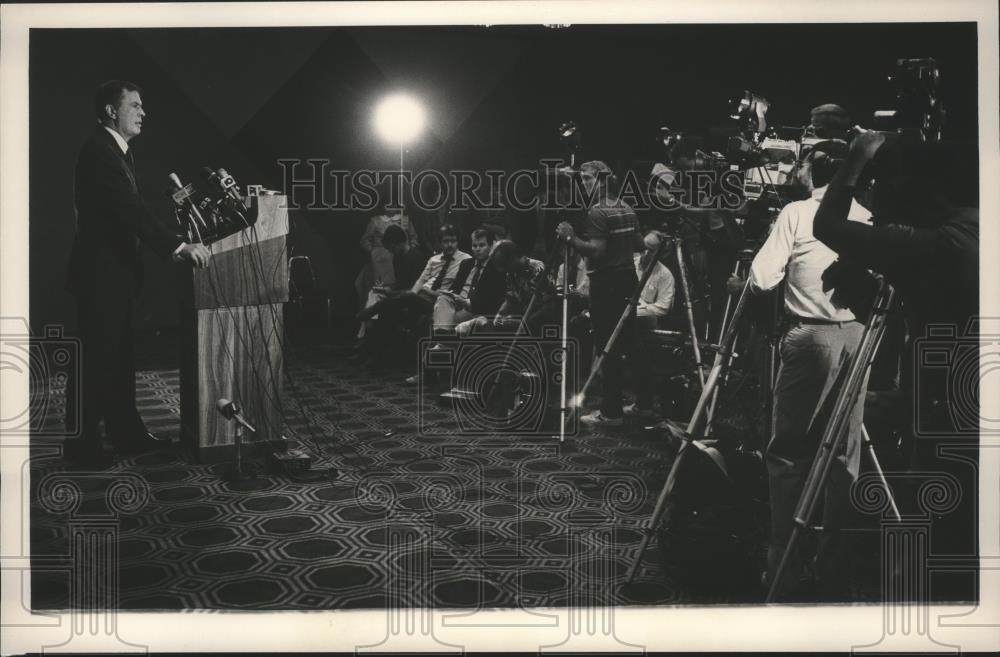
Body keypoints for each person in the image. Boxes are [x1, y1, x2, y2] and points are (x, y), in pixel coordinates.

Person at [813, 128, 979, 600]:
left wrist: (856, 159)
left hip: (948, 414)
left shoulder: (936, 243)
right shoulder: (975, 229)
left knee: (944, 520)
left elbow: (827, 226)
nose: (876, 202)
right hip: (955, 399)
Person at [728, 139, 873, 599]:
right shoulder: (868, 214)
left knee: (790, 453)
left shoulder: (796, 212)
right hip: (861, 336)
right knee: (843, 457)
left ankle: (783, 566)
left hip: (811, 336)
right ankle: (833, 572)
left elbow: (764, 277)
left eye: (802, 162)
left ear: (814, 170)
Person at [63, 80, 211, 466]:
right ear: (112, 111)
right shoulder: (101, 151)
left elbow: (129, 212)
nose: (143, 113)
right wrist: (177, 247)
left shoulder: (115, 149)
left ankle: (125, 434)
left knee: (116, 358)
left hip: (113, 277)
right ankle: (81, 450)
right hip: (101, 278)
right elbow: (130, 210)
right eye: (135, 105)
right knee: (97, 362)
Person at [556, 160, 654, 426]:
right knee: (632, 343)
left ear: (601, 180)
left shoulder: (597, 212)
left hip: (606, 283)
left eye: (587, 179)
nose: (584, 184)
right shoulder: (626, 207)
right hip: (627, 280)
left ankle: (611, 411)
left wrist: (570, 238)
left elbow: (596, 250)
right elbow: (639, 244)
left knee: (606, 345)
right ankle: (645, 404)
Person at [356, 224, 467, 364]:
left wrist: (415, 293)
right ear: (440, 243)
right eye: (445, 241)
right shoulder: (434, 260)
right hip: (420, 297)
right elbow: (418, 283)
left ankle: (373, 319)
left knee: (395, 301)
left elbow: (455, 291)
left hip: (438, 300)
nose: (449, 245)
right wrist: (401, 293)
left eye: (453, 241)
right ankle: (371, 352)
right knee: (389, 309)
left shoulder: (465, 260)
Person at [634, 231, 675, 331]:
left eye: (651, 250)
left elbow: (663, 308)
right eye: (645, 247)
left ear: (659, 253)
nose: (646, 253)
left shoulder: (665, 275)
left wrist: (643, 307)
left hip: (646, 320)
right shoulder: (631, 264)